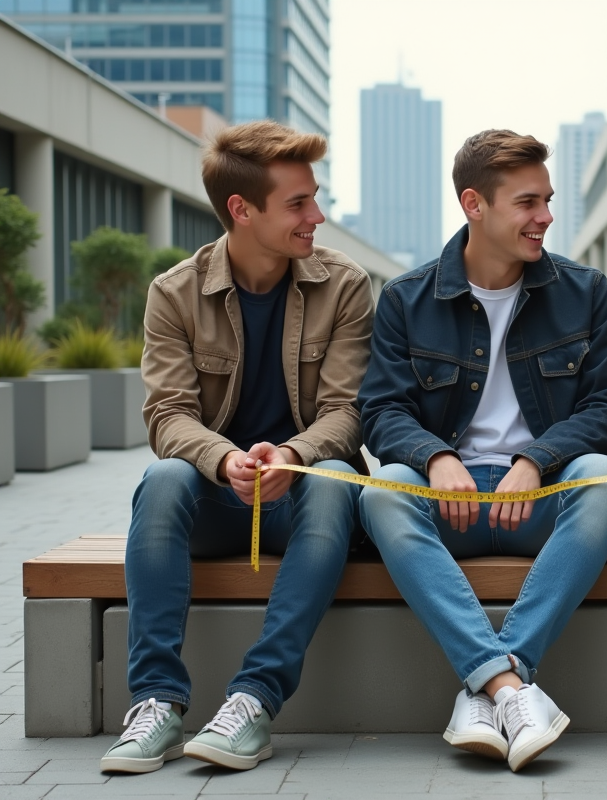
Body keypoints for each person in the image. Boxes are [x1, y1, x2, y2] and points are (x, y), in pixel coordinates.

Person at [356, 129, 607, 773]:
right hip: (446, 502)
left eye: (548, 200)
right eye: (528, 203)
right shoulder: (407, 298)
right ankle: (510, 692)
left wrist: (536, 459)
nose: (546, 217)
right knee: (384, 491)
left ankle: (490, 685)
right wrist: (435, 457)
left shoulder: (583, 291)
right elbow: (381, 411)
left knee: (606, 479)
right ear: (474, 204)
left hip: (539, 500)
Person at [100, 121, 374, 774]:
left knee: (336, 474)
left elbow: (347, 412)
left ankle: (253, 700)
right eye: (298, 204)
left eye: (315, 197)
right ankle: (157, 704)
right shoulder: (174, 293)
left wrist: (292, 456)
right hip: (217, 503)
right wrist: (224, 461)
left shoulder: (345, 285)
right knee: (163, 478)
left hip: (305, 505)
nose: (318, 216)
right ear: (241, 210)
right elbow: (167, 415)